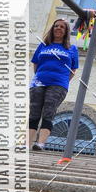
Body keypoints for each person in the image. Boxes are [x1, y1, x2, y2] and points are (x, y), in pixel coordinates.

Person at [28, 18, 78, 151]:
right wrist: (39, 76)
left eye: (62, 27)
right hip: (38, 82)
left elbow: (73, 70)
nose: (59, 28)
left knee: (48, 112)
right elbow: (35, 63)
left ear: (66, 31)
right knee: (33, 113)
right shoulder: (43, 45)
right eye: (56, 26)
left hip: (58, 84)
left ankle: (40, 143)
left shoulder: (71, 49)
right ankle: (26, 144)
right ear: (52, 29)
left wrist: (63, 81)